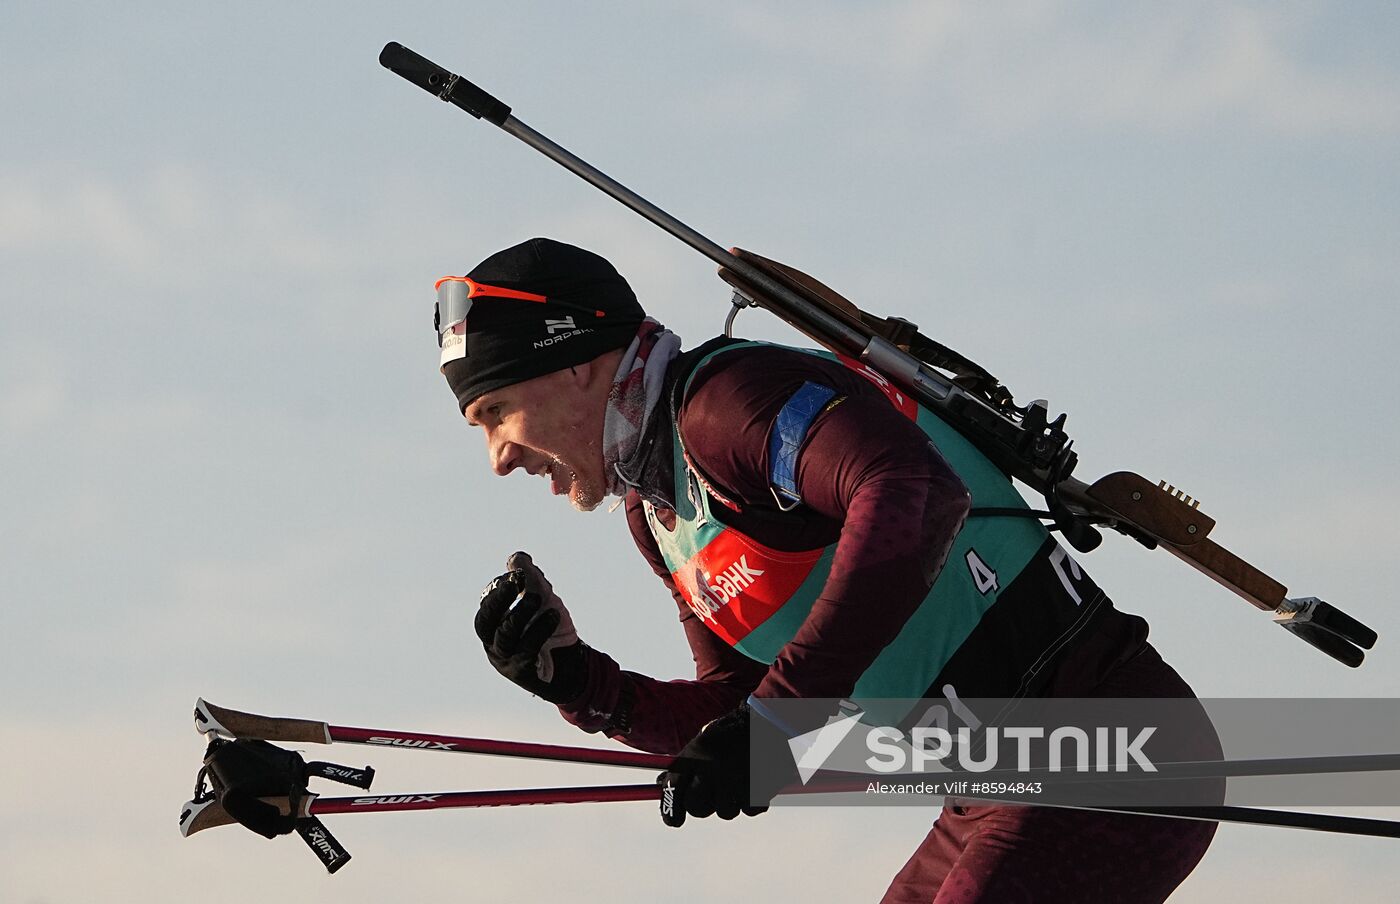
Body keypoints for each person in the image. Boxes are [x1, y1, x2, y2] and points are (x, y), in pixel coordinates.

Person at [438, 237, 1217, 902]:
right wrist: (583, 686)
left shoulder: (725, 405)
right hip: (986, 792)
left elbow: (913, 491)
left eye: (496, 413)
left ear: (574, 362)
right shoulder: (658, 513)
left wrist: (770, 725)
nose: (498, 458)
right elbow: (741, 706)